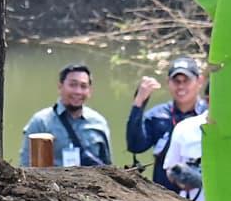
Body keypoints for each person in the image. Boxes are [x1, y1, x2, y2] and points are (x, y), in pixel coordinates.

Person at [127, 59, 205, 187]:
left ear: (199, 81)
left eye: (186, 81)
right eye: (176, 81)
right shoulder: (157, 115)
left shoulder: (207, 117)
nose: (181, 86)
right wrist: (139, 103)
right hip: (164, 195)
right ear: (168, 82)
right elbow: (135, 146)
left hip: (199, 196)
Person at [23, 66, 114, 169]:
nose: (78, 91)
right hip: (52, 184)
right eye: (72, 85)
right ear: (60, 86)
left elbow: (108, 168)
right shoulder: (41, 122)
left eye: (83, 86)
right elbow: (25, 166)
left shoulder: (99, 123)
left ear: (90, 91)